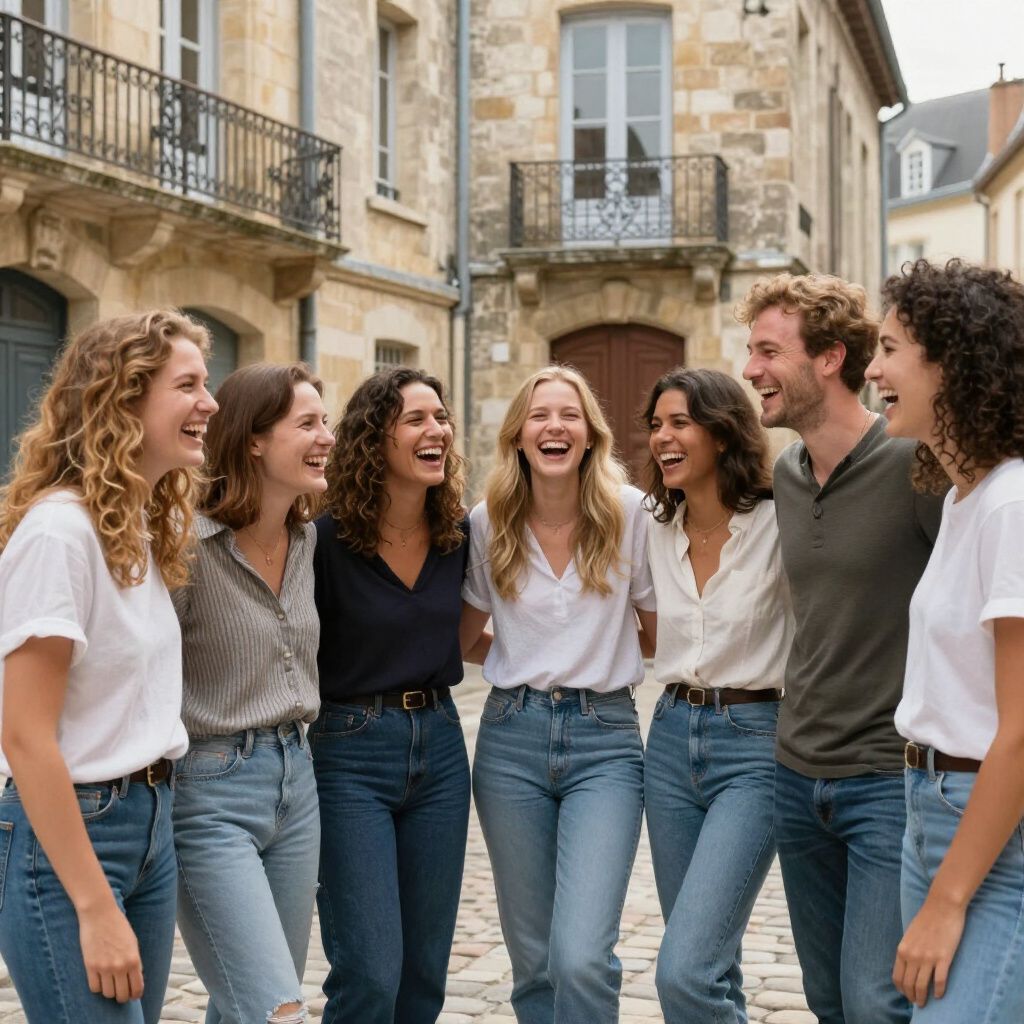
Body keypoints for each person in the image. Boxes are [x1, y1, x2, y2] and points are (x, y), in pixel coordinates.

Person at [0, 311, 217, 1022]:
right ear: (124, 401)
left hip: (151, 825)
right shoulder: (60, 533)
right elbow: (24, 735)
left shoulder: (136, 525)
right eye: (187, 385)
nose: (209, 404)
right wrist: (92, 905)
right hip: (76, 836)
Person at [739, 273, 944, 1024]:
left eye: (768, 351)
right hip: (795, 777)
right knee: (827, 1001)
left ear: (828, 357)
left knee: (874, 1002)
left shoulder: (915, 464)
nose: (751, 369)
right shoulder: (787, 475)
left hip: (887, 781)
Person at [459, 364, 657, 1024]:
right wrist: (524, 657)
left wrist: (596, 658)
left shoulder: (630, 515)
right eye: (540, 415)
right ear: (518, 435)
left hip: (606, 742)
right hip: (511, 740)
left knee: (582, 955)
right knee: (534, 959)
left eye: (569, 414)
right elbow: (465, 637)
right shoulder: (488, 523)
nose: (555, 425)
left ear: (590, 434)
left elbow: (655, 632)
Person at [865, 258, 1024, 1021]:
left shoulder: (1010, 505)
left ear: (952, 361)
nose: (873, 369)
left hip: (991, 837)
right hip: (928, 810)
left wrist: (949, 899)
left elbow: (1021, 734)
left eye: (891, 348)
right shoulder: (966, 499)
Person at [171, 363, 334, 1024]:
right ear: (255, 441)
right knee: (275, 1009)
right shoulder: (185, 545)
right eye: (308, 423)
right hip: (210, 792)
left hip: (297, 783)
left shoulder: (306, 540)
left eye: (325, 422)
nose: (326, 436)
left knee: (245, 1002)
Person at [311, 367, 471, 1024]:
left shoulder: (460, 535)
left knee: (424, 972)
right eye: (417, 419)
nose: (437, 430)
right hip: (349, 753)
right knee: (370, 970)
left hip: (440, 747)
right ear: (375, 440)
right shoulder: (323, 540)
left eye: (441, 418)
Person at [642, 367, 792, 1024]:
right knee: (711, 964)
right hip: (670, 740)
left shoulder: (779, 521)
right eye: (655, 425)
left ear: (724, 433)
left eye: (680, 423)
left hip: (756, 743)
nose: (662, 438)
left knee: (686, 969)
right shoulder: (653, 528)